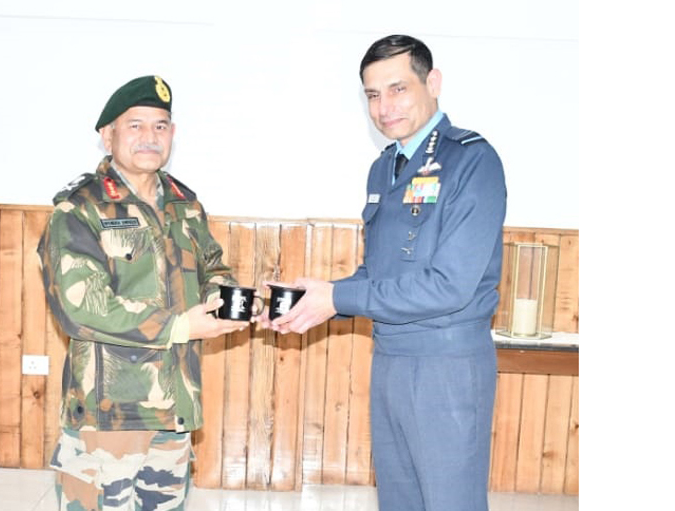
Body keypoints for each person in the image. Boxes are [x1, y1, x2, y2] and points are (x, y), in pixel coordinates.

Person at [264, 35, 507, 511]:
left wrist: (337, 299)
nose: (384, 107)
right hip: (390, 358)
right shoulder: (385, 168)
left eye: (398, 89)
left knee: (450, 502)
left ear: (432, 83)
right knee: (399, 502)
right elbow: (376, 273)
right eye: (373, 95)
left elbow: (449, 286)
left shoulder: (471, 160)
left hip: (446, 365)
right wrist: (314, 299)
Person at [37, 75, 248, 511]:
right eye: (135, 125)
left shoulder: (184, 205)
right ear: (107, 135)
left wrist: (229, 300)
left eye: (160, 125)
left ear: (172, 133)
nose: (150, 136)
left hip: (174, 410)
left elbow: (212, 268)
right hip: (108, 419)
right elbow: (81, 307)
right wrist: (180, 326)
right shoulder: (80, 209)